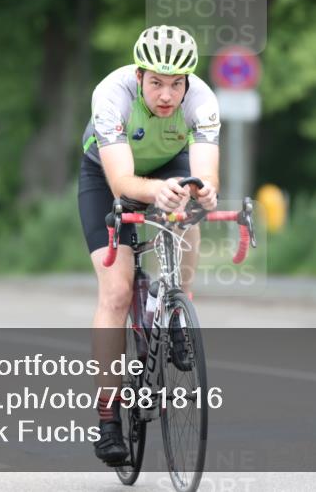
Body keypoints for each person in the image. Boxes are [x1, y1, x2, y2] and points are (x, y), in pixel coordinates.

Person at [78, 25, 220, 465]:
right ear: (139, 76)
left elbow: (206, 174)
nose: (166, 94)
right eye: (156, 82)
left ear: (188, 83)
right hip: (107, 175)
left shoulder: (203, 102)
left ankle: (178, 304)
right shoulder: (111, 97)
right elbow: (122, 182)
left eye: (176, 84)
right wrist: (156, 190)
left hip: (170, 163)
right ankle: (108, 419)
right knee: (117, 292)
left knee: (190, 209)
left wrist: (206, 192)